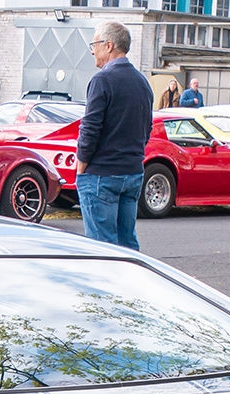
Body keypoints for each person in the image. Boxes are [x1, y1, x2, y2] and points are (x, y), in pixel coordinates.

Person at [75, 22, 151, 249]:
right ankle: (130, 284)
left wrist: (81, 167)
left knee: (102, 249)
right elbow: (146, 128)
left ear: (109, 46)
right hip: (132, 172)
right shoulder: (142, 82)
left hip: (101, 175)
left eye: (95, 44)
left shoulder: (102, 80)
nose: (92, 50)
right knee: (127, 245)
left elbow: (90, 128)